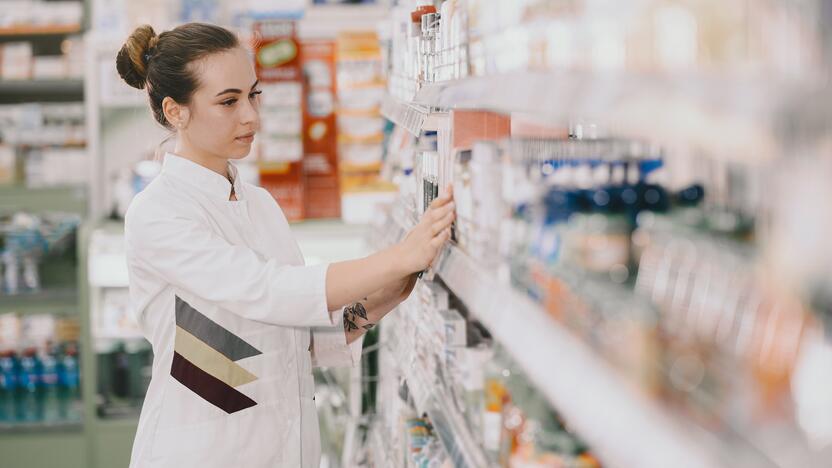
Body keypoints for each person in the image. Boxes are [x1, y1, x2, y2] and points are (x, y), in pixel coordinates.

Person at [116, 22, 455, 468]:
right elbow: (267, 289)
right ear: (175, 111)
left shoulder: (259, 204)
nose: (251, 116)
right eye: (228, 101)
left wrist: (373, 304)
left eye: (253, 95)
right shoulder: (157, 212)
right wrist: (397, 256)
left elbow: (286, 342)